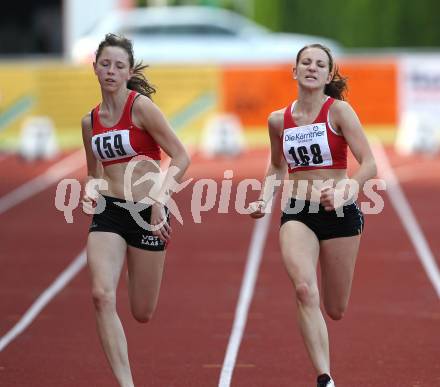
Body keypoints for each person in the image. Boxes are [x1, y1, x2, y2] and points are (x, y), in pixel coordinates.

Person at [249, 44, 377, 387]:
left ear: (328, 75)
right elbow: (277, 165)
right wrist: (264, 198)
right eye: (305, 62)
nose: (312, 68)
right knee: (305, 290)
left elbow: (369, 164)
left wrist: (345, 190)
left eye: (320, 64)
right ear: (294, 71)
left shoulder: (340, 112)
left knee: (335, 308)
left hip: (339, 212)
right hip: (297, 210)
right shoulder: (278, 120)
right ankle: (325, 377)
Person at [81, 33, 190, 387]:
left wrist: (160, 200)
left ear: (128, 72)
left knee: (142, 312)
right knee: (101, 295)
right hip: (109, 212)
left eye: (118, 66)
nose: (110, 71)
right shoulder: (90, 121)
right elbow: (93, 172)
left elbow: (181, 155)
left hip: (147, 211)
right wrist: (90, 190)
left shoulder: (140, 107)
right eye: (105, 64)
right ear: (95, 67)